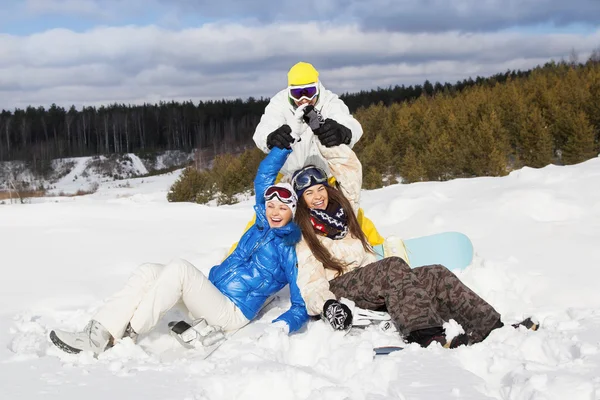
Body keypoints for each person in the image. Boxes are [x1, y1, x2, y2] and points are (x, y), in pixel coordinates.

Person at [49, 147, 309, 355]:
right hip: (213, 293)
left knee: (179, 270)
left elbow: (300, 303)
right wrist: (283, 146)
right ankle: (99, 332)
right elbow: (263, 176)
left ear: (293, 212)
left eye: (283, 208)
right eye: (272, 206)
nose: (275, 212)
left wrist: (283, 326)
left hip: (231, 312)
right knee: (147, 271)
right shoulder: (260, 226)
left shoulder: (290, 248)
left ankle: (130, 331)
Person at [291, 140, 538, 348]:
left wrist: (329, 140)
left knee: (436, 274)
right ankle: (427, 337)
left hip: (370, 282)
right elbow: (311, 284)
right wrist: (328, 305)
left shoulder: (344, 214)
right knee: (392, 267)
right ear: (301, 200)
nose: (317, 197)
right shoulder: (304, 234)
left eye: (319, 189)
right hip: (341, 289)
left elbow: (351, 171)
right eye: (308, 194)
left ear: (327, 189)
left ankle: (491, 327)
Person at [227, 62, 384, 258]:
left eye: (309, 91)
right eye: (297, 93)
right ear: (289, 92)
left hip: (323, 179)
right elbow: (262, 131)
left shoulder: (329, 102)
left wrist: (342, 131)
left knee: (351, 216)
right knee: (265, 222)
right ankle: (236, 261)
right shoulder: (279, 103)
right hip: (289, 178)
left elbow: (351, 124)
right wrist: (272, 137)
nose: (304, 99)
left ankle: (381, 252)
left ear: (317, 86)